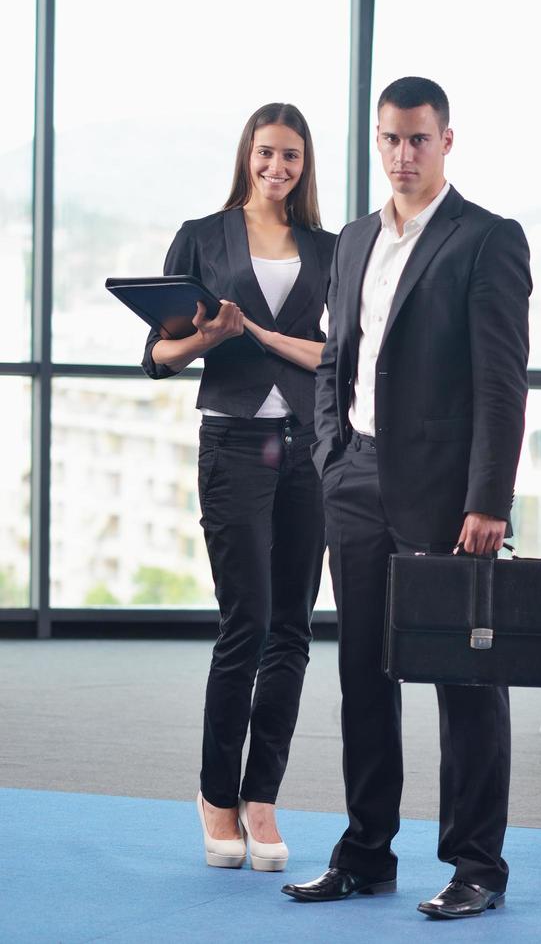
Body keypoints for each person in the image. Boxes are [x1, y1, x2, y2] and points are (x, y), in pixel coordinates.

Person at [281, 77, 531, 921]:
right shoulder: (354, 239)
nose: (402, 155)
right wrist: (329, 453)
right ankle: (364, 853)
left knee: (465, 683)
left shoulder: (486, 240)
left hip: (447, 500)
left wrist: (487, 500)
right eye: (389, 139)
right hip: (354, 482)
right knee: (362, 675)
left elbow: (501, 386)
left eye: (418, 139)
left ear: (447, 141)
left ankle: (476, 868)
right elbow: (332, 356)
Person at [143, 103, 334, 873]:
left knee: (292, 629)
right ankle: (217, 795)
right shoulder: (202, 237)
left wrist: (260, 335)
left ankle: (263, 798)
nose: (276, 167)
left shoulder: (329, 247)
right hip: (233, 443)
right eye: (265, 153)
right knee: (246, 624)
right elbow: (157, 355)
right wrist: (208, 338)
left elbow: (339, 352)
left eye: (289, 155)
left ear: (304, 162)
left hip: (308, 449)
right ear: (246, 156)